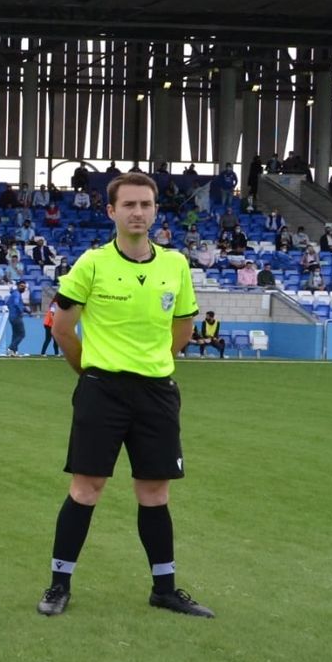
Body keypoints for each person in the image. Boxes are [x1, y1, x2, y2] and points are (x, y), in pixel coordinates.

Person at [37, 172, 211, 619]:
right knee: (86, 488)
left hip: (157, 393)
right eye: (129, 205)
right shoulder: (91, 264)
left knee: (154, 492)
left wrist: (152, 364)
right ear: (111, 211)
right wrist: (92, 372)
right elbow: (62, 328)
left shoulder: (175, 265)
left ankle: (164, 590)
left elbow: (183, 327)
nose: (138, 212)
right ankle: (58, 585)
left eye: (145, 204)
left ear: (156, 211)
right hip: (102, 392)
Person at [6, 281, 29, 356]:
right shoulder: (17, 294)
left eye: (24, 287)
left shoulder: (13, 294)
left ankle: (14, 351)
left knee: (15, 335)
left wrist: (26, 310)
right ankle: (10, 348)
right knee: (22, 334)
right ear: (18, 286)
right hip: (16, 317)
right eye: (22, 286)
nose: (23, 288)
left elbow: (8, 303)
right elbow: (16, 304)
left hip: (11, 317)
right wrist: (21, 311)